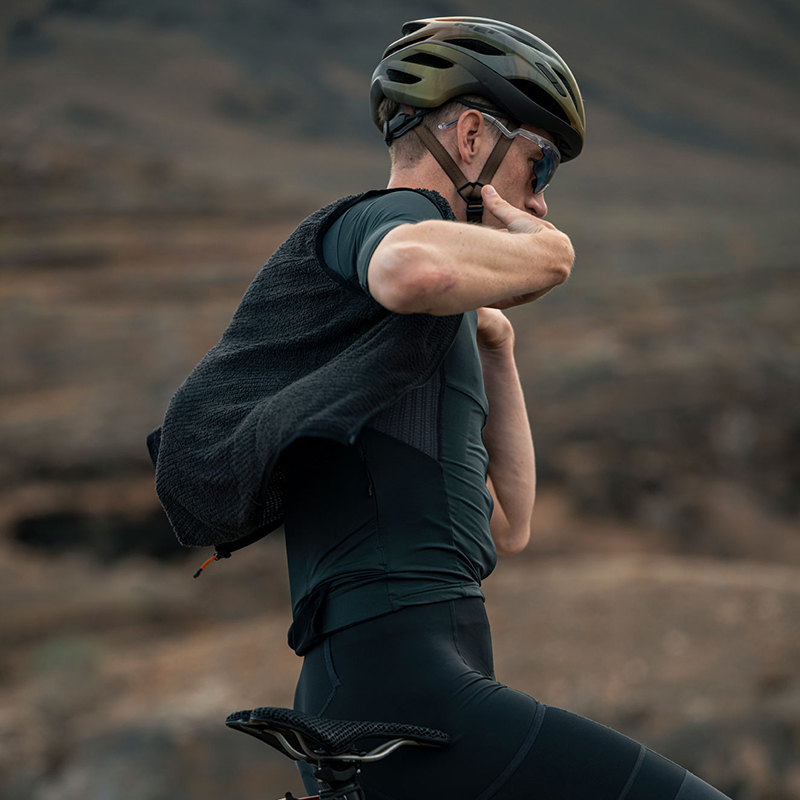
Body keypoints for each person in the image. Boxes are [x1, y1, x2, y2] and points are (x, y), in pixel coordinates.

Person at [147, 16, 731, 800]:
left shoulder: (413, 337)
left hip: (404, 687)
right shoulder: (381, 220)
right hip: (400, 689)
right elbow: (408, 271)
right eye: (540, 162)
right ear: (471, 136)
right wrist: (551, 256)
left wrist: (498, 347)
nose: (541, 200)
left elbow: (509, 523)